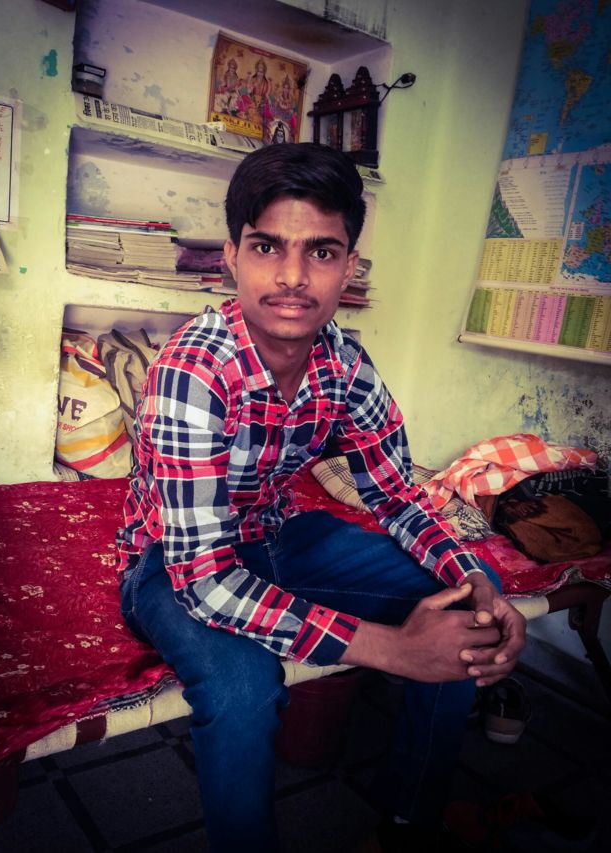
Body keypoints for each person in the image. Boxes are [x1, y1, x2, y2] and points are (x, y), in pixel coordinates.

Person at [117, 142, 526, 853]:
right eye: (267, 246)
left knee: (467, 600)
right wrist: (395, 650)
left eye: (322, 251)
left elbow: (396, 496)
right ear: (231, 258)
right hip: (171, 564)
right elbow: (206, 580)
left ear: (349, 267)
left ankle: (411, 822)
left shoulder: (345, 363)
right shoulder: (193, 370)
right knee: (243, 688)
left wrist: (476, 580)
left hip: (278, 535)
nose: (293, 277)